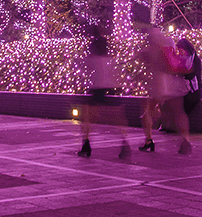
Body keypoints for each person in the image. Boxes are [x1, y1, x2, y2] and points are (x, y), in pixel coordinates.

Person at [137, 24, 192, 155]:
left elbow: (146, 62)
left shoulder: (150, 48)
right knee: (179, 111)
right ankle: (186, 141)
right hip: (173, 81)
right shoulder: (169, 41)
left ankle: (149, 140)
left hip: (158, 83)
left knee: (148, 111)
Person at [77, 25, 130, 159]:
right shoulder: (111, 60)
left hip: (98, 89)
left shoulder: (92, 60)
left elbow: (86, 73)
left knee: (87, 116)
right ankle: (125, 142)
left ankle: (86, 143)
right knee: (119, 118)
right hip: (113, 89)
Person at [176, 38, 202, 116]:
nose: (180, 53)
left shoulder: (195, 60)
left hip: (195, 90)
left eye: (181, 50)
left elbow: (192, 75)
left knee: (184, 106)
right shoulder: (181, 60)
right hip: (184, 89)